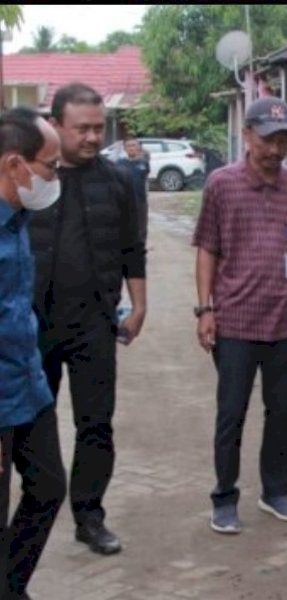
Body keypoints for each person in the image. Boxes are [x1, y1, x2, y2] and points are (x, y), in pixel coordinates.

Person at [193, 96, 287, 535]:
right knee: (231, 412)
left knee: (282, 412)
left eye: (283, 140)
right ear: (247, 136)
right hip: (234, 322)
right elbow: (207, 249)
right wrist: (205, 309)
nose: (275, 150)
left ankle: (275, 491)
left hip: (284, 322)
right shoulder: (221, 184)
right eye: (267, 140)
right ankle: (224, 497)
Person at [28, 83, 147, 556]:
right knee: (29, 425)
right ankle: (34, 508)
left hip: (95, 323)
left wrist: (139, 306)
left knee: (95, 424)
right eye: (82, 129)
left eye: (99, 128)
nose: (93, 138)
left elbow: (132, 248)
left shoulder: (119, 181)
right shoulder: (34, 178)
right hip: (35, 326)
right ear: (56, 125)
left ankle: (89, 516)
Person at [0, 106, 68, 599]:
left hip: (29, 387)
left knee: (47, 488)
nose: (55, 176)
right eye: (50, 165)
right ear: (13, 164)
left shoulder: (19, 218)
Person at [116, 137, 150, 245]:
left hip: (140, 201)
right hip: (123, 201)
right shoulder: (119, 163)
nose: (131, 148)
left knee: (141, 227)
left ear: (138, 147)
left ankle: (140, 249)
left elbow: (146, 178)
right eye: (128, 146)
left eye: (134, 145)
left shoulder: (144, 163)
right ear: (125, 149)